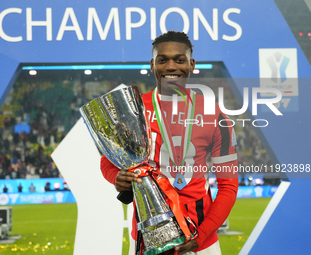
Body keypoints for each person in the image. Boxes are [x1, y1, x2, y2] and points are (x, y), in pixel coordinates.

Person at [100, 31, 238, 255]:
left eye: (179, 59)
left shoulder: (215, 114)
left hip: (201, 241)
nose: (171, 66)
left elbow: (229, 186)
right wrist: (116, 177)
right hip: (149, 238)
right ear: (152, 65)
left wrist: (200, 238)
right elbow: (108, 161)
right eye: (162, 60)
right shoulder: (135, 110)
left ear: (191, 64)